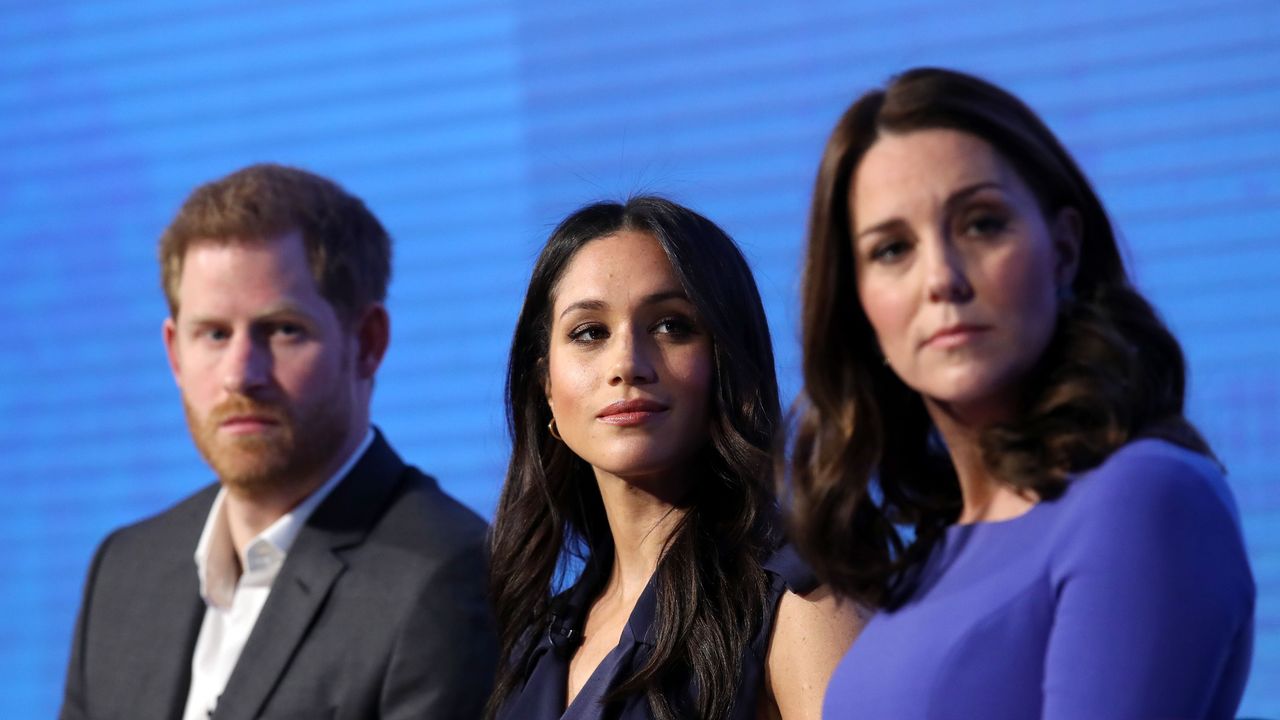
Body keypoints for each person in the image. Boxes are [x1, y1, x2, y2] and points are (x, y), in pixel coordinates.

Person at [788, 67, 1255, 719]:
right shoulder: (928, 556)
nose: (942, 279)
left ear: (1062, 250)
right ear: (860, 304)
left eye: (981, 224)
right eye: (893, 249)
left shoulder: (1143, 496)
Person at [60, 163, 496, 720]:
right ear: (174, 352)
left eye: (283, 330)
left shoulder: (445, 579)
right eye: (214, 334)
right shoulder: (123, 570)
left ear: (367, 343)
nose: (241, 374)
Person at [487, 197, 862, 720]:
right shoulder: (536, 640)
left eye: (671, 325)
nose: (626, 364)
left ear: (728, 361)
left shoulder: (799, 597)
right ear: (546, 385)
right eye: (589, 332)